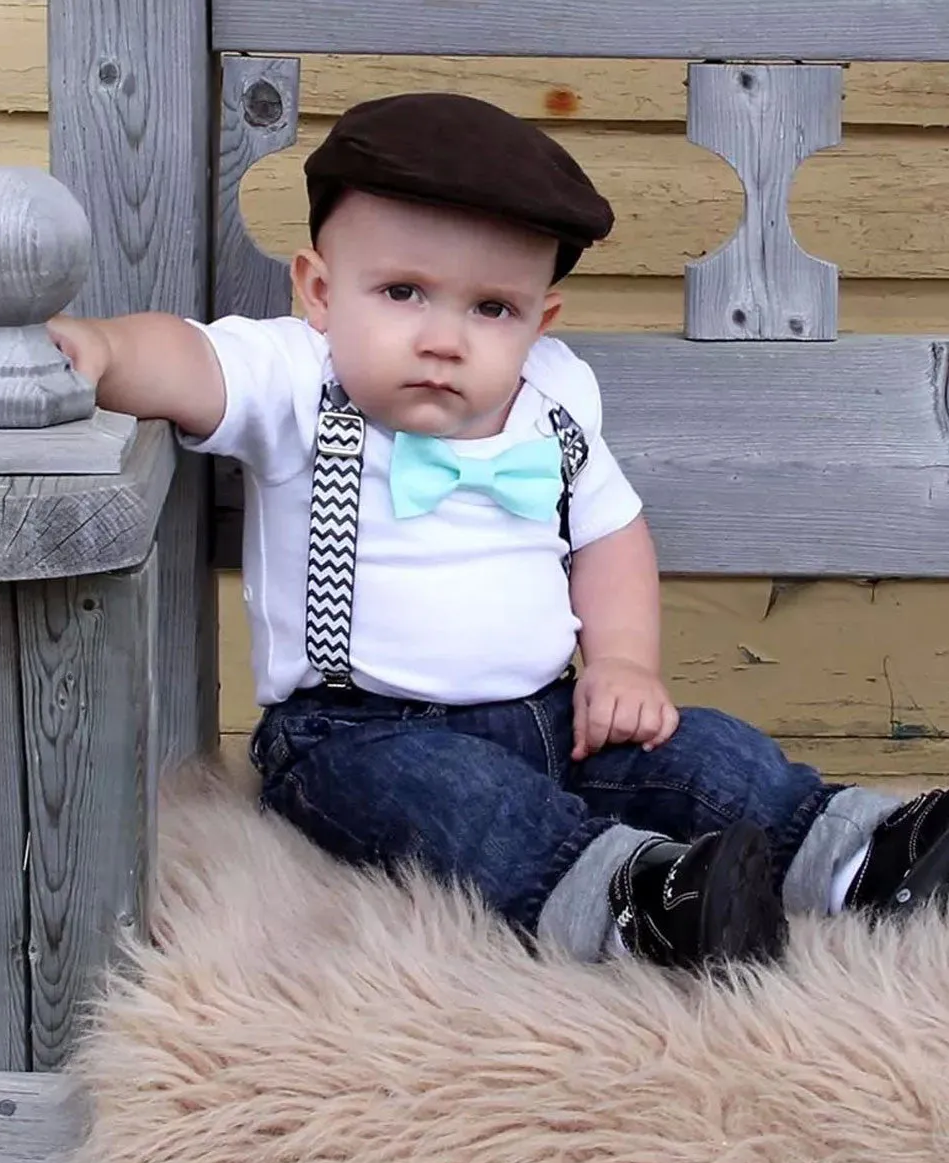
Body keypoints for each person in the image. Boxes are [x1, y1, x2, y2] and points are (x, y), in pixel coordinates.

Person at [50, 92, 949, 972]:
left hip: (553, 711)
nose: (444, 338)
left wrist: (623, 664)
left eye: (490, 310)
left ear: (537, 323)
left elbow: (612, 535)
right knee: (466, 809)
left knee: (700, 752)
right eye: (403, 292)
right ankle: (639, 904)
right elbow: (188, 358)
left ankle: (861, 853)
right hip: (357, 737)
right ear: (320, 290)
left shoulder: (555, 401)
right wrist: (106, 352)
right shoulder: (293, 378)